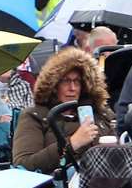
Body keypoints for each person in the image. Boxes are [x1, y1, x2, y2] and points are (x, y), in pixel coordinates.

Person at [11, 47, 111, 175]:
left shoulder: (100, 114)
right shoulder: (35, 115)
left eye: (77, 81)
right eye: (66, 81)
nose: (72, 88)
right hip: (56, 186)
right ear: (53, 84)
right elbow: (23, 165)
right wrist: (73, 143)